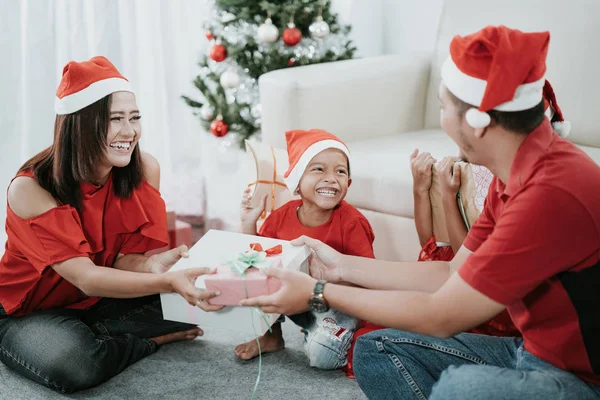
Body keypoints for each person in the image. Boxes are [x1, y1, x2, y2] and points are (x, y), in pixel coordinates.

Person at [241, 26, 600, 399]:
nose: (441, 119)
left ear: (477, 121)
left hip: (581, 380)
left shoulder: (548, 193)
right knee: (376, 348)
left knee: (460, 389)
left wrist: (318, 292)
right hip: (533, 353)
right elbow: (447, 272)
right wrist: (338, 266)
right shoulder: (512, 173)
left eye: (444, 107)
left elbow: (441, 315)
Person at [0, 56, 222, 394]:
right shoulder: (31, 188)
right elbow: (87, 277)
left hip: (98, 301)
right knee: (72, 362)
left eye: (134, 118)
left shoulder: (144, 169)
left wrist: (150, 265)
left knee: (201, 304)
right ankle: (142, 342)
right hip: (29, 311)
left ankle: (99, 333)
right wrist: (165, 283)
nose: (130, 132)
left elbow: (119, 260)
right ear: (80, 124)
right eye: (115, 119)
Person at [235, 129, 376, 375]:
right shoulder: (281, 217)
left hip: (337, 305)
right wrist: (248, 222)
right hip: (293, 300)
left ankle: (325, 334)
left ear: (348, 184)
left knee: (322, 358)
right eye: (319, 169)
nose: (332, 178)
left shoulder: (352, 223)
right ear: (297, 182)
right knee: (256, 277)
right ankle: (272, 336)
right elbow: (256, 258)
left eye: (340, 171)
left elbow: (368, 279)